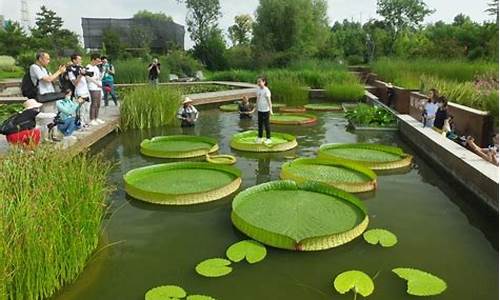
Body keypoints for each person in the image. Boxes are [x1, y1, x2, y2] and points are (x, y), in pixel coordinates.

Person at [67, 53, 91, 128]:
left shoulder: (80, 67)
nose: (81, 60)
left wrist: (85, 72)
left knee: (87, 108)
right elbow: (75, 83)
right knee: (81, 109)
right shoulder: (70, 70)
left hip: (86, 91)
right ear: (74, 60)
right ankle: (80, 124)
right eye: (79, 59)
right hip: (79, 92)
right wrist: (80, 74)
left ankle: (85, 123)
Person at [86, 54, 104, 126]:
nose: (98, 62)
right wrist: (96, 83)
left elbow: (99, 77)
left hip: (98, 86)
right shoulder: (88, 67)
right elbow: (88, 78)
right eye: (97, 60)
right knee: (94, 103)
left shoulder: (96, 67)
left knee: (98, 103)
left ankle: (96, 117)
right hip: (93, 87)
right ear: (93, 60)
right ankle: (92, 119)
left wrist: (102, 71)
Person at [256, 77, 273, 145]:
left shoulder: (267, 90)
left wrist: (271, 110)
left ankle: (268, 138)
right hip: (260, 109)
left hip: (266, 110)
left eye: (260, 82)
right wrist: (256, 106)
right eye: (257, 82)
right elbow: (258, 98)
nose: (258, 83)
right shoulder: (258, 89)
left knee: (266, 124)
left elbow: (269, 101)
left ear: (264, 82)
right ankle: (260, 137)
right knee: (260, 124)